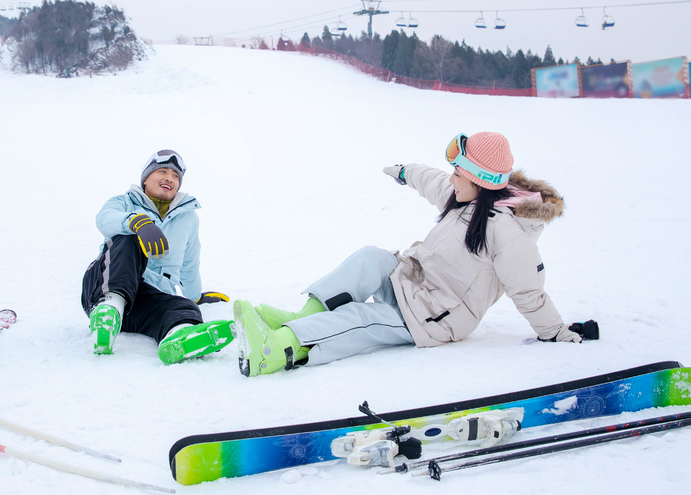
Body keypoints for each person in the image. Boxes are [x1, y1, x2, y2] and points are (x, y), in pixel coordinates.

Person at [233, 131, 597, 377]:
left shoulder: (506, 230)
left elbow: (528, 290)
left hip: (434, 316)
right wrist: (407, 172)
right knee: (371, 258)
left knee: (364, 317)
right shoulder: (463, 197)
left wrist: (557, 333)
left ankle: (280, 348)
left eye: (458, 172)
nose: (451, 178)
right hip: (414, 284)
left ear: (478, 180)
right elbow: (434, 180)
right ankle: (301, 317)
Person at [81, 149, 233, 362]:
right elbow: (104, 219)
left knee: (182, 307)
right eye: (162, 171)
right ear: (145, 179)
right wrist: (137, 222)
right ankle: (108, 310)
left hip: (144, 299)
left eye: (175, 176)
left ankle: (180, 336)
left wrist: (195, 296)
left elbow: (190, 262)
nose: (169, 178)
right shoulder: (124, 202)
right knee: (129, 239)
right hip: (104, 283)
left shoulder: (188, 218)